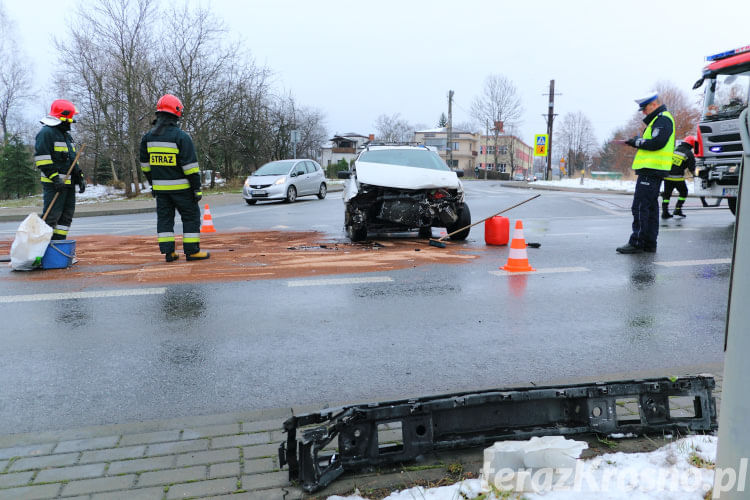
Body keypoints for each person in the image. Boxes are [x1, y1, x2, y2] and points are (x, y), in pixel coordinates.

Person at [139, 94, 209, 262]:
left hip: (161, 190)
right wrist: (196, 188)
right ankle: (192, 251)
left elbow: (145, 166)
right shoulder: (181, 137)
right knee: (191, 217)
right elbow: (190, 167)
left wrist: (154, 184)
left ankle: (169, 253)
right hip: (182, 189)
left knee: (164, 220)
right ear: (176, 113)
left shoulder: (148, 138)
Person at [616, 91, 675, 254]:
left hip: (652, 170)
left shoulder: (662, 119)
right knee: (650, 208)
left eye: (645, 109)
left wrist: (637, 142)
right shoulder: (659, 120)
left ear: (654, 105)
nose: (643, 112)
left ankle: (637, 242)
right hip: (653, 170)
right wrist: (636, 141)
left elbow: (657, 142)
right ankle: (649, 243)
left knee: (641, 206)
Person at [34, 99, 86, 240]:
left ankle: (58, 245)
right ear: (62, 117)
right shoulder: (46, 133)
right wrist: (55, 179)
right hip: (54, 185)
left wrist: (79, 177)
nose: (71, 122)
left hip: (68, 185)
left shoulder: (65, 135)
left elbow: (71, 160)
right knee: (51, 217)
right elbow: (42, 160)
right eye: (70, 118)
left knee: (65, 218)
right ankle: (41, 249)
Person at [661, 136, 697, 218]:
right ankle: (678, 209)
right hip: (677, 178)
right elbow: (691, 168)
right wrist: (694, 175)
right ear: (692, 144)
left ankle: (665, 212)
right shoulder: (688, 153)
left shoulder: (674, 148)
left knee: (667, 195)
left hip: (667, 176)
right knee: (684, 192)